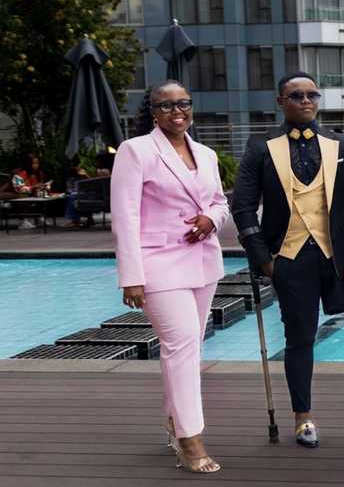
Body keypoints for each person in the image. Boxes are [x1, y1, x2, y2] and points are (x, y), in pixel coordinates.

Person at [232, 72, 344, 448]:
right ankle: (303, 417)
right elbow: (242, 207)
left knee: (333, 323)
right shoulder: (260, 146)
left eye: (312, 94)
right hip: (287, 258)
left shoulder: (340, 144)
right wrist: (265, 261)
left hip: (333, 256)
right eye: (296, 95)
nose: (305, 101)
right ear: (281, 102)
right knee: (300, 338)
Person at [110, 80, 229, 473]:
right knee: (180, 344)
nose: (177, 111)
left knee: (189, 347)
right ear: (152, 112)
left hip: (203, 263)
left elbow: (218, 200)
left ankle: (174, 420)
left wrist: (212, 218)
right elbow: (124, 215)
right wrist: (131, 275)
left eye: (183, 103)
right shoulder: (136, 151)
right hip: (157, 263)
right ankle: (190, 439)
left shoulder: (207, 154)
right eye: (166, 106)